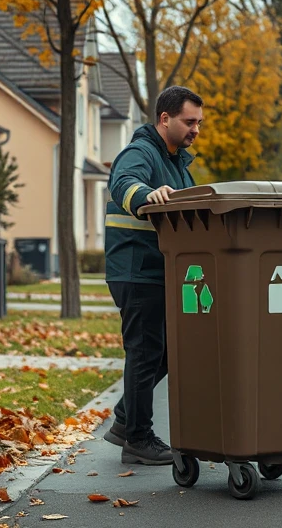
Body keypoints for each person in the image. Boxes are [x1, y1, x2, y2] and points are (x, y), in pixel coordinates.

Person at [101, 86, 202, 465]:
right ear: (165, 119)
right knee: (146, 354)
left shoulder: (177, 162)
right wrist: (147, 194)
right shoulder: (140, 152)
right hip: (136, 269)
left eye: (198, 123)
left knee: (168, 352)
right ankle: (138, 439)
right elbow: (124, 183)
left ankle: (127, 420)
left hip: (161, 271)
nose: (195, 130)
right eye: (189, 122)